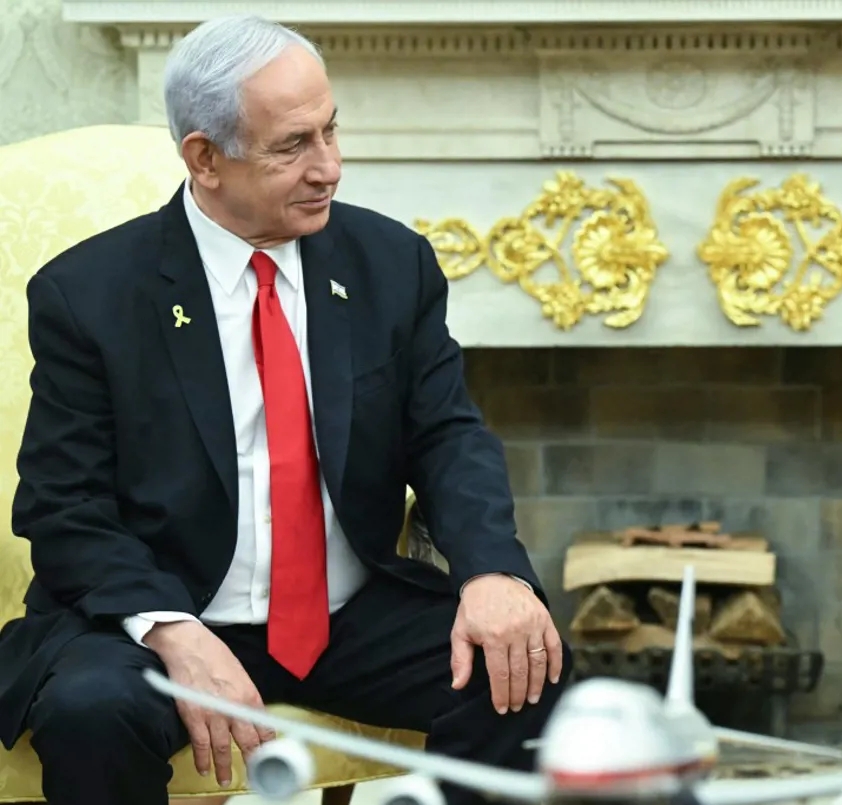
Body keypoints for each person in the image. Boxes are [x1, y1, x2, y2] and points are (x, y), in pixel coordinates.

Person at [0, 14, 571, 805]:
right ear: (205, 158)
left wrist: (493, 571)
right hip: (171, 610)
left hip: (346, 614)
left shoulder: (390, 264)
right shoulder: (90, 295)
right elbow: (64, 505)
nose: (328, 166)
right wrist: (171, 628)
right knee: (91, 710)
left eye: (330, 130)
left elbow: (448, 437)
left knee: (527, 670)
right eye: (292, 146)